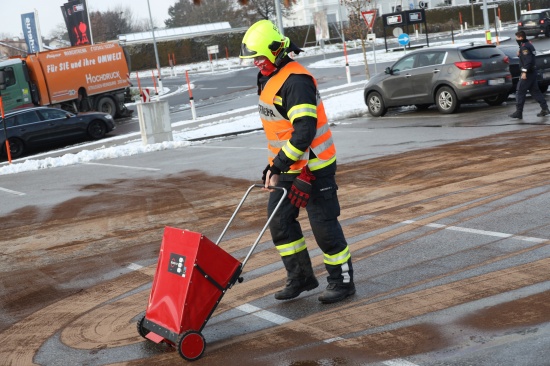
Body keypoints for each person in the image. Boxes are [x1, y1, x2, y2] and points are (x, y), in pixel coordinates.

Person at [239, 20, 355, 304]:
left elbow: (304, 132)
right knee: (279, 222)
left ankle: (342, 281)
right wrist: (277, 166)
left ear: (276, 51)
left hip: (314, 167)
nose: (255, 63)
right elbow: (281, 129)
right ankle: (301, 277)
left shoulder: (297, 82)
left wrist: (277, 165)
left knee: (323, 226)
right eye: (252, 59)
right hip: (289, 165)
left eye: (259, 57)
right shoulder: (269, 76)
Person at [509, 31, 550, 119]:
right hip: (532, 73)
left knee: (520, 91)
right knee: (535, 92)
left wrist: (524, 72)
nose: (516, 40)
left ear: (520, 37)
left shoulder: (525, 47)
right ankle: (545, 108)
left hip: (528, 73)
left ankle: (519, 112)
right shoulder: (527, 45)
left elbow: (528, 61)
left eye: (517, 38)